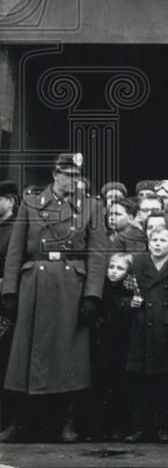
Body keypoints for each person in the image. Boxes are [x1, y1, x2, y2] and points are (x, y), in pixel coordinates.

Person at [0, 153, 107, 443]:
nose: (72, 181)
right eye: (67, 175)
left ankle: (68, 422)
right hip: (34, 283)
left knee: (69, 358)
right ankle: (19, 421)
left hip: (70, 287)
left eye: (76, 176)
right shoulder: (32, 203)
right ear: (55, 174)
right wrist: (9, 290)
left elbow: (98, 255)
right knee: (24, 356)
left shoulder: (92, 207)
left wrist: (92, 295)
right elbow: (15, 251)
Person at [125, 224, 168, 443]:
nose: (157, 244)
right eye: (154, 240)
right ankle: (138, 428)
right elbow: (123, 291)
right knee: (139, 382)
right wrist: (129, 303)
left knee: (165, 382)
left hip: (167, 330)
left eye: (162, 241)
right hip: (142, 328)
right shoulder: (138, 263)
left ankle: (163, 427)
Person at [91, 252, 135, 441]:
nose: (114, 272)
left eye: (120, 268)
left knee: (120, 384)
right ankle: (100, 427)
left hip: (122, 342)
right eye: (112, 267)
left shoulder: (130, 290)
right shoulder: (102, 288)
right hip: (103, 342)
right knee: (101, 383)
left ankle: (119, 426)